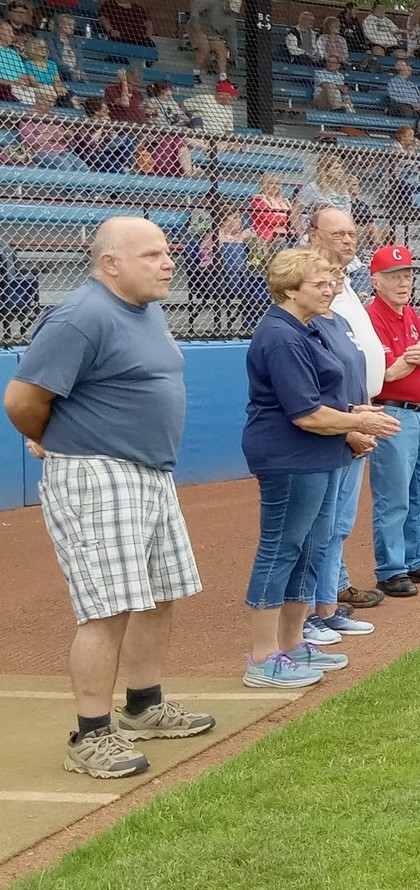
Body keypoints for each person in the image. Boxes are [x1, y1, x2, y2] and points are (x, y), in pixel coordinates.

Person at [4, 218, 215, 778]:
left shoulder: (147, 311)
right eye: (152, 254)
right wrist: (57, 439)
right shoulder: (81, 315)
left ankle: (145, 706)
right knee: (108, 607)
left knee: (158, 594)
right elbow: (23, 399)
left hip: (149, 473)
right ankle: (90, 735)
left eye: (167, 252)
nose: (168, 262)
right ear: (110, 263)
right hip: (99, 475)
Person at [239, 248, 399, 689]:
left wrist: (349, 422)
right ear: (290, 289)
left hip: (321, 453)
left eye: (332, 282)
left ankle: (291, 644)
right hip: (290, 455)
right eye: (319, 283)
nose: (331, 289)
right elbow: (305, 413)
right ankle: (262, 655)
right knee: (282, 548)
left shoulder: (309, 329)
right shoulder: (281, 335)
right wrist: (357, 421)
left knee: (311, 548)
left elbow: (323, 402)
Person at [304, 208, 389, 617]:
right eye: (336, 233)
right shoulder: (311, 290)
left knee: (339, 521)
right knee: (325, 521)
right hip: (338, 420)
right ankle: (322, 601)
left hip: (360, 411)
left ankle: (332, 591)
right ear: (312, 234)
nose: (347, 240)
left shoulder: (346, 284)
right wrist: (351, 423)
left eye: (351, 233)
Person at [364, 244, 420, 603]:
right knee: (394, 496)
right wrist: (413, 360)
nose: (403, 282)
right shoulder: (371, 317)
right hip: (391, 413)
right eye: (394, 276)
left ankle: (416, 559)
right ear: (376, 281)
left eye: (407, 275)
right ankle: (391, 570)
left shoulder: (410, 313)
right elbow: (380, 377)